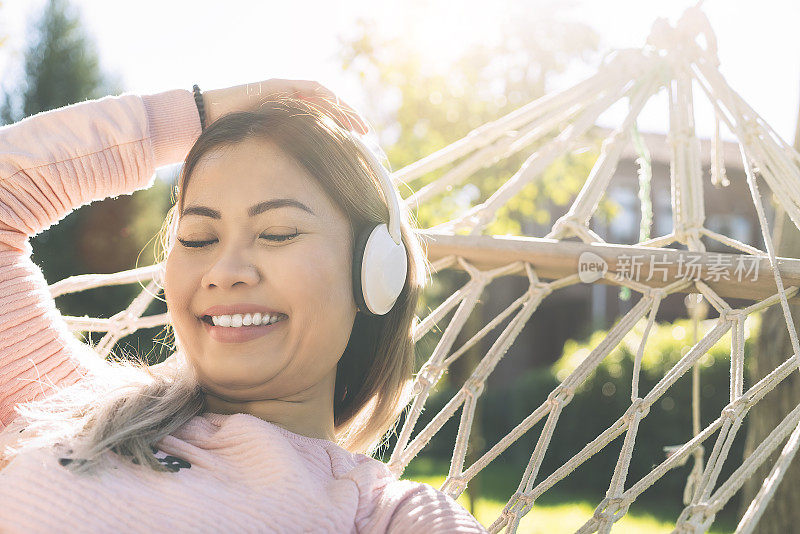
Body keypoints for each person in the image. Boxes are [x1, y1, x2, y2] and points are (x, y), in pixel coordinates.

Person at [0, 79, 488, 533]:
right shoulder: (67, 403)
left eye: (277, 233)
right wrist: (196, 114)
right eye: (198, 238)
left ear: (374, 273)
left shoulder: (384, 514)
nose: (225, 270)